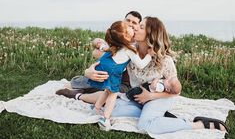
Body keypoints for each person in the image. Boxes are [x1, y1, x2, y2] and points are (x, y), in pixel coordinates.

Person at [78, 16, 228, 134]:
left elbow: (177, 91)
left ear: (150, 34)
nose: (135, 27)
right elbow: (100, 53)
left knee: (145, 125)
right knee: (112, 109)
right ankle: (159, 117)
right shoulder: (130, 50)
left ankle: (197, 124)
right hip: (137, 98)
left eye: (141, 26)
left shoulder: (165, 60)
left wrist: (150, 97)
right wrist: (88, 71)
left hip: (159, 97)